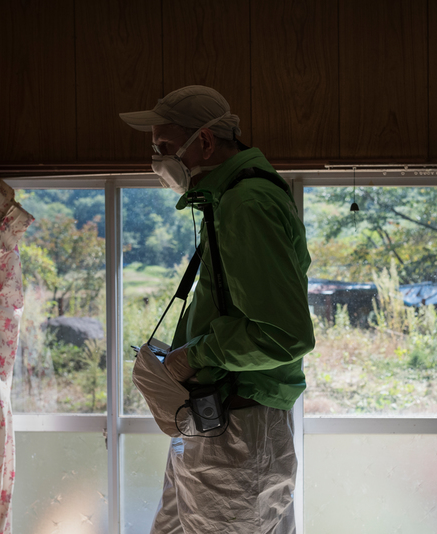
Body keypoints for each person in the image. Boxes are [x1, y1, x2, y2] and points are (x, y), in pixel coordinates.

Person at [120, 85, 314, 533]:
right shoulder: (228, 201)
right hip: (213, 423)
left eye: (165, 147)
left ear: (205, 142)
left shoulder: (247, 203)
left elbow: (286, 335)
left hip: (236, 430)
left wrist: (196, 355)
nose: (156, 159)